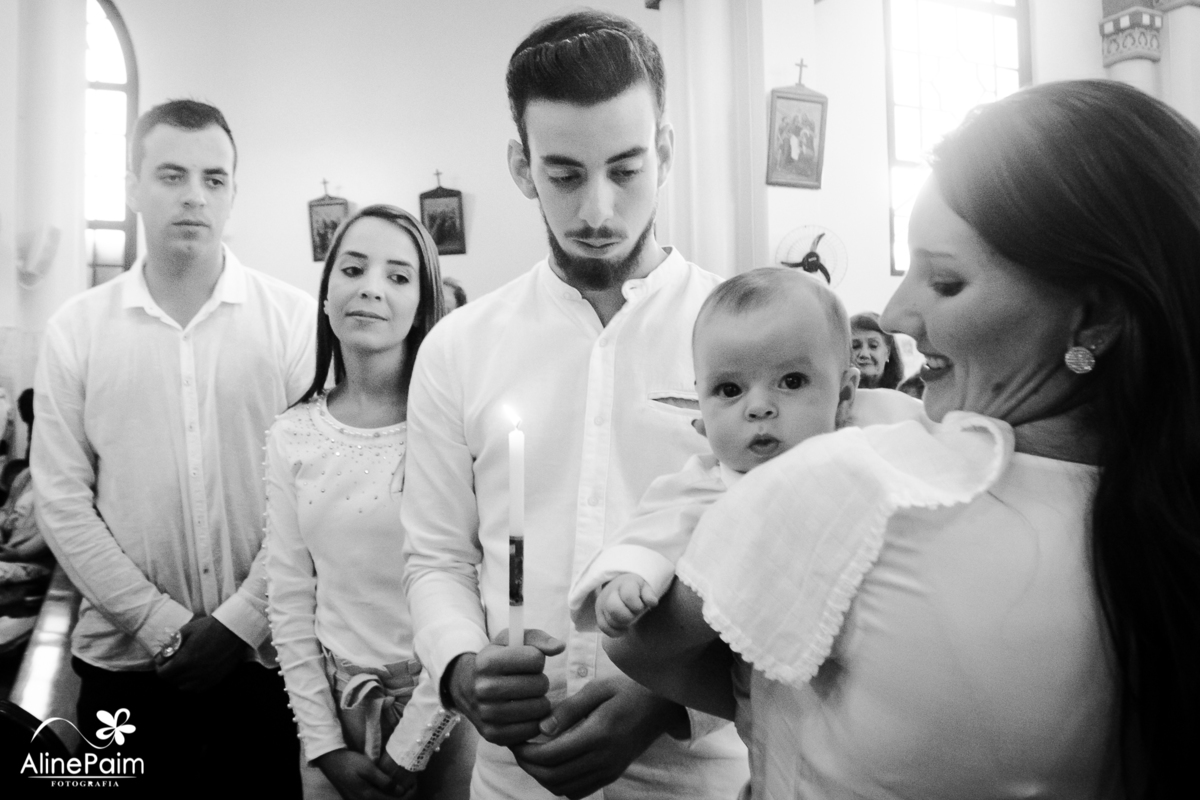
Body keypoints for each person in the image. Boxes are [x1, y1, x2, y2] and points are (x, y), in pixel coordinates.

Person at [608, 79, 1200, 799]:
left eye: (945, 281)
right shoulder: (1166, 513)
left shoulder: (855, 483)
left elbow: (641, 643)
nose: (894, 313)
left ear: (1093, 319)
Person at [401, 10, 750, 800]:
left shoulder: (745, 335)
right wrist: (460, 666)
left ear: (663, 152)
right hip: (512, 774)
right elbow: (436, 559)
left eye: (626, 169)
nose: (597, 210)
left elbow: (786, 553)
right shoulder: (458, 347)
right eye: (564, 175)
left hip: (702, 777)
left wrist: (666, 697)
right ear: (523, 168)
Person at [33, 99, 314, 797]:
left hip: (269, 663)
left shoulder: (293, 320)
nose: (194, 196)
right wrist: (163, 626)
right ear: (132, 187)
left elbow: (314, 490)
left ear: (233, 195)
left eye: (214, 179)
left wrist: (239, 624)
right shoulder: (77, 329)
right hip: (125, 669)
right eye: (171, 175)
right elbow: (62, 502)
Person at [265, 204, 476, 800]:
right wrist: (324, 744)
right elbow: (288, 598)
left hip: (447, 705)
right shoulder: (293, 435)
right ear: (327, 292)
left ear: (421, 304)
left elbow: (470, 589)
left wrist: (411, 749)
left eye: (399, 276)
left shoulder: (450, 430)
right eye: (353, 269)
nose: (371, 290)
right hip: (335, 708)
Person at [567, 269, 862, 636]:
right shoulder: (702, 490)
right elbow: (651, 538)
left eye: (791, 381)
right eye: (729, 389)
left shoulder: (868, 449)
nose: (758, 407)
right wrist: (630, 579)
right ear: (701, 409)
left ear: (845, 396)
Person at [849, 311, 903, 390]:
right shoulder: (832, 399)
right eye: (855, 346)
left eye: (873, 346)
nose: (864, 354)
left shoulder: (905, 398)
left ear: (888, 353)